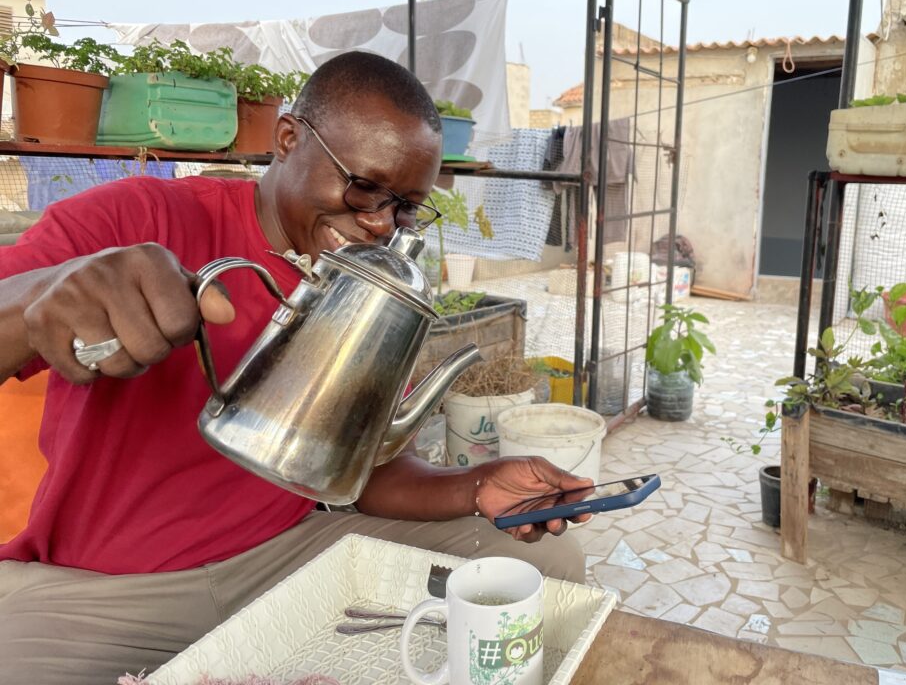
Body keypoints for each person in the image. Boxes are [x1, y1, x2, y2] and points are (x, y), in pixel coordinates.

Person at [0, 51, 588, 684]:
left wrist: (476, 487)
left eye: (406, 207)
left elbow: (367, 469)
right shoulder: (139, 218)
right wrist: (46, 295)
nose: (378, 224)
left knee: (548, 559)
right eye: (364, 187)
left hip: (284, 555)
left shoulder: (374, 285)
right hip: (106, 592)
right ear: (287, 138)